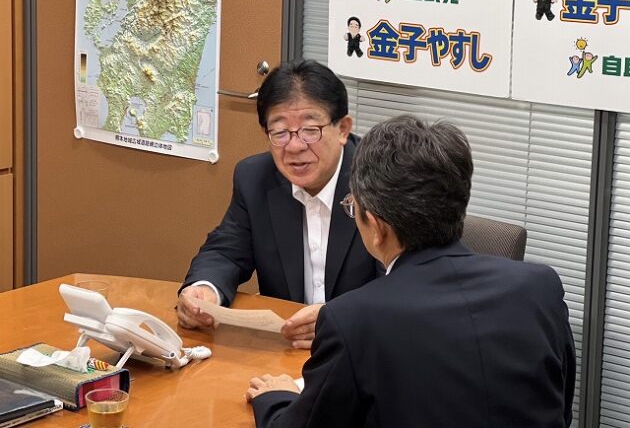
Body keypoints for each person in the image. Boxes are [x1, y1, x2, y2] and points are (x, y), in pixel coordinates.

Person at [246, 115, 576, 427]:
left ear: (376, 226)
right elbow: (558, 408)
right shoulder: (540, 288)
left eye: (352, 207)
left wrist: (275, 397)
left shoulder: (353, 322)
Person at [177, 60, 379, 349]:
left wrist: (340, 320)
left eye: (310, 130)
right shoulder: (255, 178)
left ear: (343, 129)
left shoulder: (381, 182)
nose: (295, 146)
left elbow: (403, 283)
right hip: (284, 351)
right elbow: (226, 251)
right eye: (280, 132)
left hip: (362, 351)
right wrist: (204, 290)